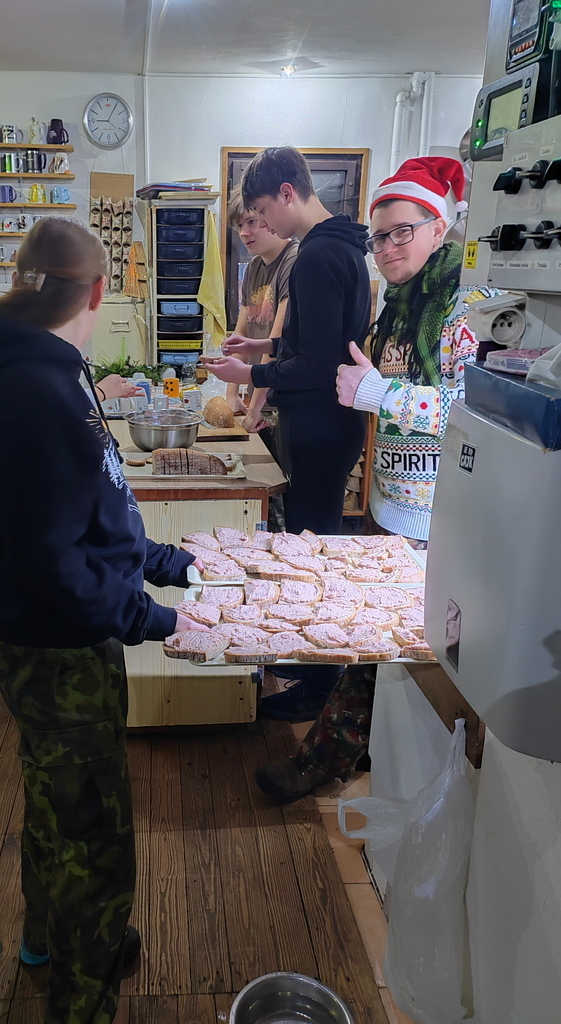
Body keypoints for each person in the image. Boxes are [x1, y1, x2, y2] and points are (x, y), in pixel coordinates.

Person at [0, 217, 204, 1024]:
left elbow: (90, 511)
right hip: (58, 649)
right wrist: (153, 619)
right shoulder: (36, 392)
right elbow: (51, 561)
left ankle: (43, 939)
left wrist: (171, 563)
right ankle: (81, 996)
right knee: (93, 833)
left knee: (53, 798)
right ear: (96, 292)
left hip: (46, 638)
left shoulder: (41, 372)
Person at [255, 156, 497, 802]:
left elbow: (475, 414)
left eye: (402, 232)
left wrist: (381, 394)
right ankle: (369, 762)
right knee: (381, 647)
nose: (387, 248)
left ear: (439, 227)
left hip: (442, 521)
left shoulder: (465, 312)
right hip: (393, 511)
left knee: (397, 651)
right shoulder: (397, 308)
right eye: (380, 236)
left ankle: (333, 760)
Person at [203, 146, 371, 536]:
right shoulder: (341, 245)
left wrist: (249, 374)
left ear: (286, 193)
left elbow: (316, 365)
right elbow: (320, 343)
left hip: (320, 425)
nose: (261, 221)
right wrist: (262, 347)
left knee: (308, 543)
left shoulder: (315, 256)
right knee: (313, 534)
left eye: (262, 210)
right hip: (334, 422)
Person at [223, 187, 298, 444]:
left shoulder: (293, 261)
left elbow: (274, 344)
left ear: (269, 217)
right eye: (239, 226)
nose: (244, 233)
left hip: (281, 404)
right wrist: (231, 394)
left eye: (251, 222)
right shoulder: (254, 267)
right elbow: (241, 335)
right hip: (258, 397)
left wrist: (254, 410)